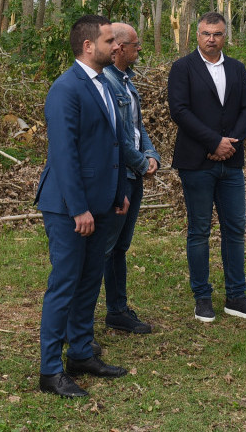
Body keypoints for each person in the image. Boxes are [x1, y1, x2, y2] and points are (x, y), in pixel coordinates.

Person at [35, 15, 131, 398]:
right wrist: (78, 209)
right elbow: (64, 154)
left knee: (90, 280)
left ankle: (80, 353)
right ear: (89, 46)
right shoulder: (66, 89)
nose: (117, 46)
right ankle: (49, 371)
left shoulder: (104, 84)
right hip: (68, 207)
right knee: (65, 284)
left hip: (102, 202)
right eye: (110, 40)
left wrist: (119, 189)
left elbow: (112, 142)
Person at [167, 11, 246, 323]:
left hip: (231, 163)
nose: (212, 39)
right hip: (196, 163)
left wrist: (229, 144)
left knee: (235, 228)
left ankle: (236, 296)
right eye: (206, 33)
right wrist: (213, 142)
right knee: (199, 230)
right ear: (197, 35)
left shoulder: (236, 69)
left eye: (217, 34)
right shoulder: (183, 68)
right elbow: (179, 111)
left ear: (225, 36)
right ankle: (202, 297)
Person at [98, 22, 161, 335]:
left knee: (119, 247)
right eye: (135, 45)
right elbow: (117, 137)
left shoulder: (126, 81)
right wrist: (140, 163)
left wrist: (151, 156)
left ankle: (117, 310)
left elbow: (137, 127)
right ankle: (80, 318)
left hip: (133, 173)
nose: (139, 49)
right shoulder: (107, 83)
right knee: (105, 248)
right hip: (119, 176)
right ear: (119, 48)